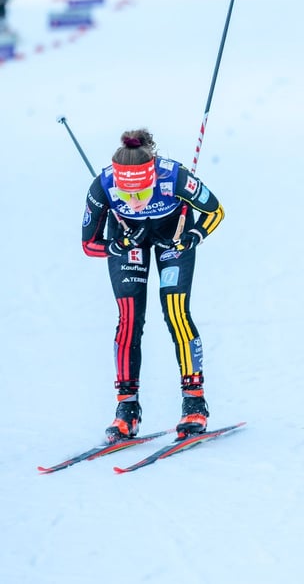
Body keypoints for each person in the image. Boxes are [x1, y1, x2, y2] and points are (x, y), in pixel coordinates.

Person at [81, 129, 225, 442]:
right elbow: (88, 244)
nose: (132, 201)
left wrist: (194, 235)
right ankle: (126, 410)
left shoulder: (173, 178)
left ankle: (194, 403)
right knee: (130, 318)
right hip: (128, 241)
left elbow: (215, 211)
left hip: (173, 236)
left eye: (141, 194)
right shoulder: (103, 186)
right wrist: (115, 246)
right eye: (125, 195)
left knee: (175, 311)